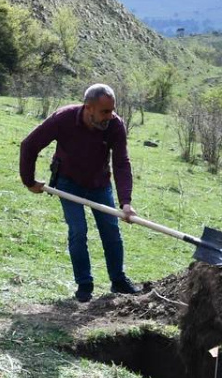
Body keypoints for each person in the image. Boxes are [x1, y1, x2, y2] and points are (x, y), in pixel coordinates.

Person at [19, 83, 140, 303]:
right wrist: (29, 181)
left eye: (112, 110)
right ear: (89, 107)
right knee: (78, 230)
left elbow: (121, 162)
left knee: (111, 230)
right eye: (104, 111)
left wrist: (125, 202)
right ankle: (84, 285)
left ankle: (118, 280)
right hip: (68, 182)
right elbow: (29, 145)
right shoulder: (63, 119)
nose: (109, 116)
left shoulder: (115, 125)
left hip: (99, 183)